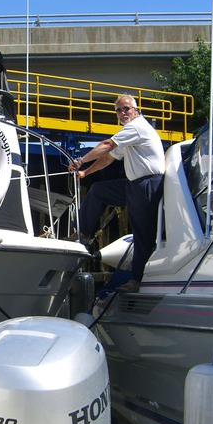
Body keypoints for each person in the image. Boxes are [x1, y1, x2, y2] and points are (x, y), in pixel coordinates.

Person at [69, 94, 165, 293]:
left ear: (136, 110)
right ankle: (83, 233)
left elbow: (106, 145)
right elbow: (109, 157)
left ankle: (137, 281)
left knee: (142, 233)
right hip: (134, 184)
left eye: (126, 108)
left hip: (148, 184)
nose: (122, 113)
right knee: (98, 190)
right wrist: (86, 172)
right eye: (119, 110)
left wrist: (80, 161)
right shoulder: (129, 133)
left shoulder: (137, 126)